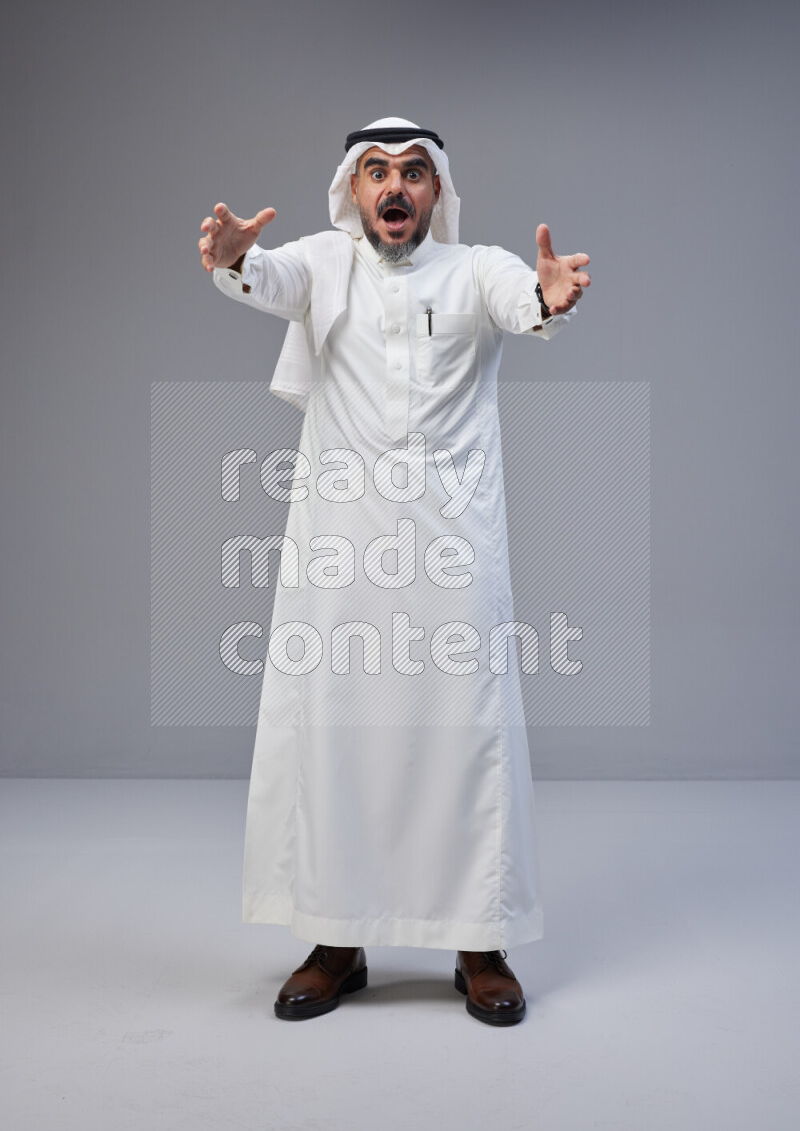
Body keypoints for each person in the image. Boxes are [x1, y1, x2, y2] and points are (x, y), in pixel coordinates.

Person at [198, 117, 590, 1026]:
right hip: (341, 545)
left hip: (455, 546)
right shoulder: (321, 264)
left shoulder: (475, 268)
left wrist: (549, 293)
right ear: (353, 190)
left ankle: (479, 944)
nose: (395, 188)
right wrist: (230, 261)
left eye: (413, 173)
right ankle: (338, 940)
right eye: (376, 172)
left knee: (465, 732)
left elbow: (520, 298)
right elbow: (271, 278)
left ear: (437, 190)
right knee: (340, 731)